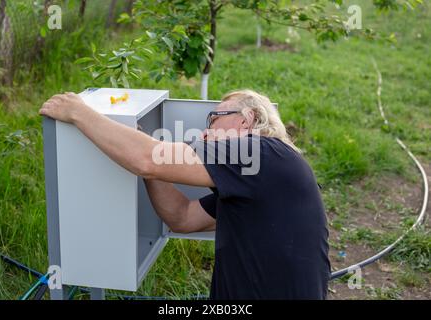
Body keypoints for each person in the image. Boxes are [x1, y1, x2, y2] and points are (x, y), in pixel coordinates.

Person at [39, 89, 330, 299]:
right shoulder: (263, 172)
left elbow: (149, 158)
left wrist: (77, 111)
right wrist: (149, 169)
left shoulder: (257, 152)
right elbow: (182, 217)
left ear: (246, 119)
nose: (205, 132)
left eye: (213, 118)